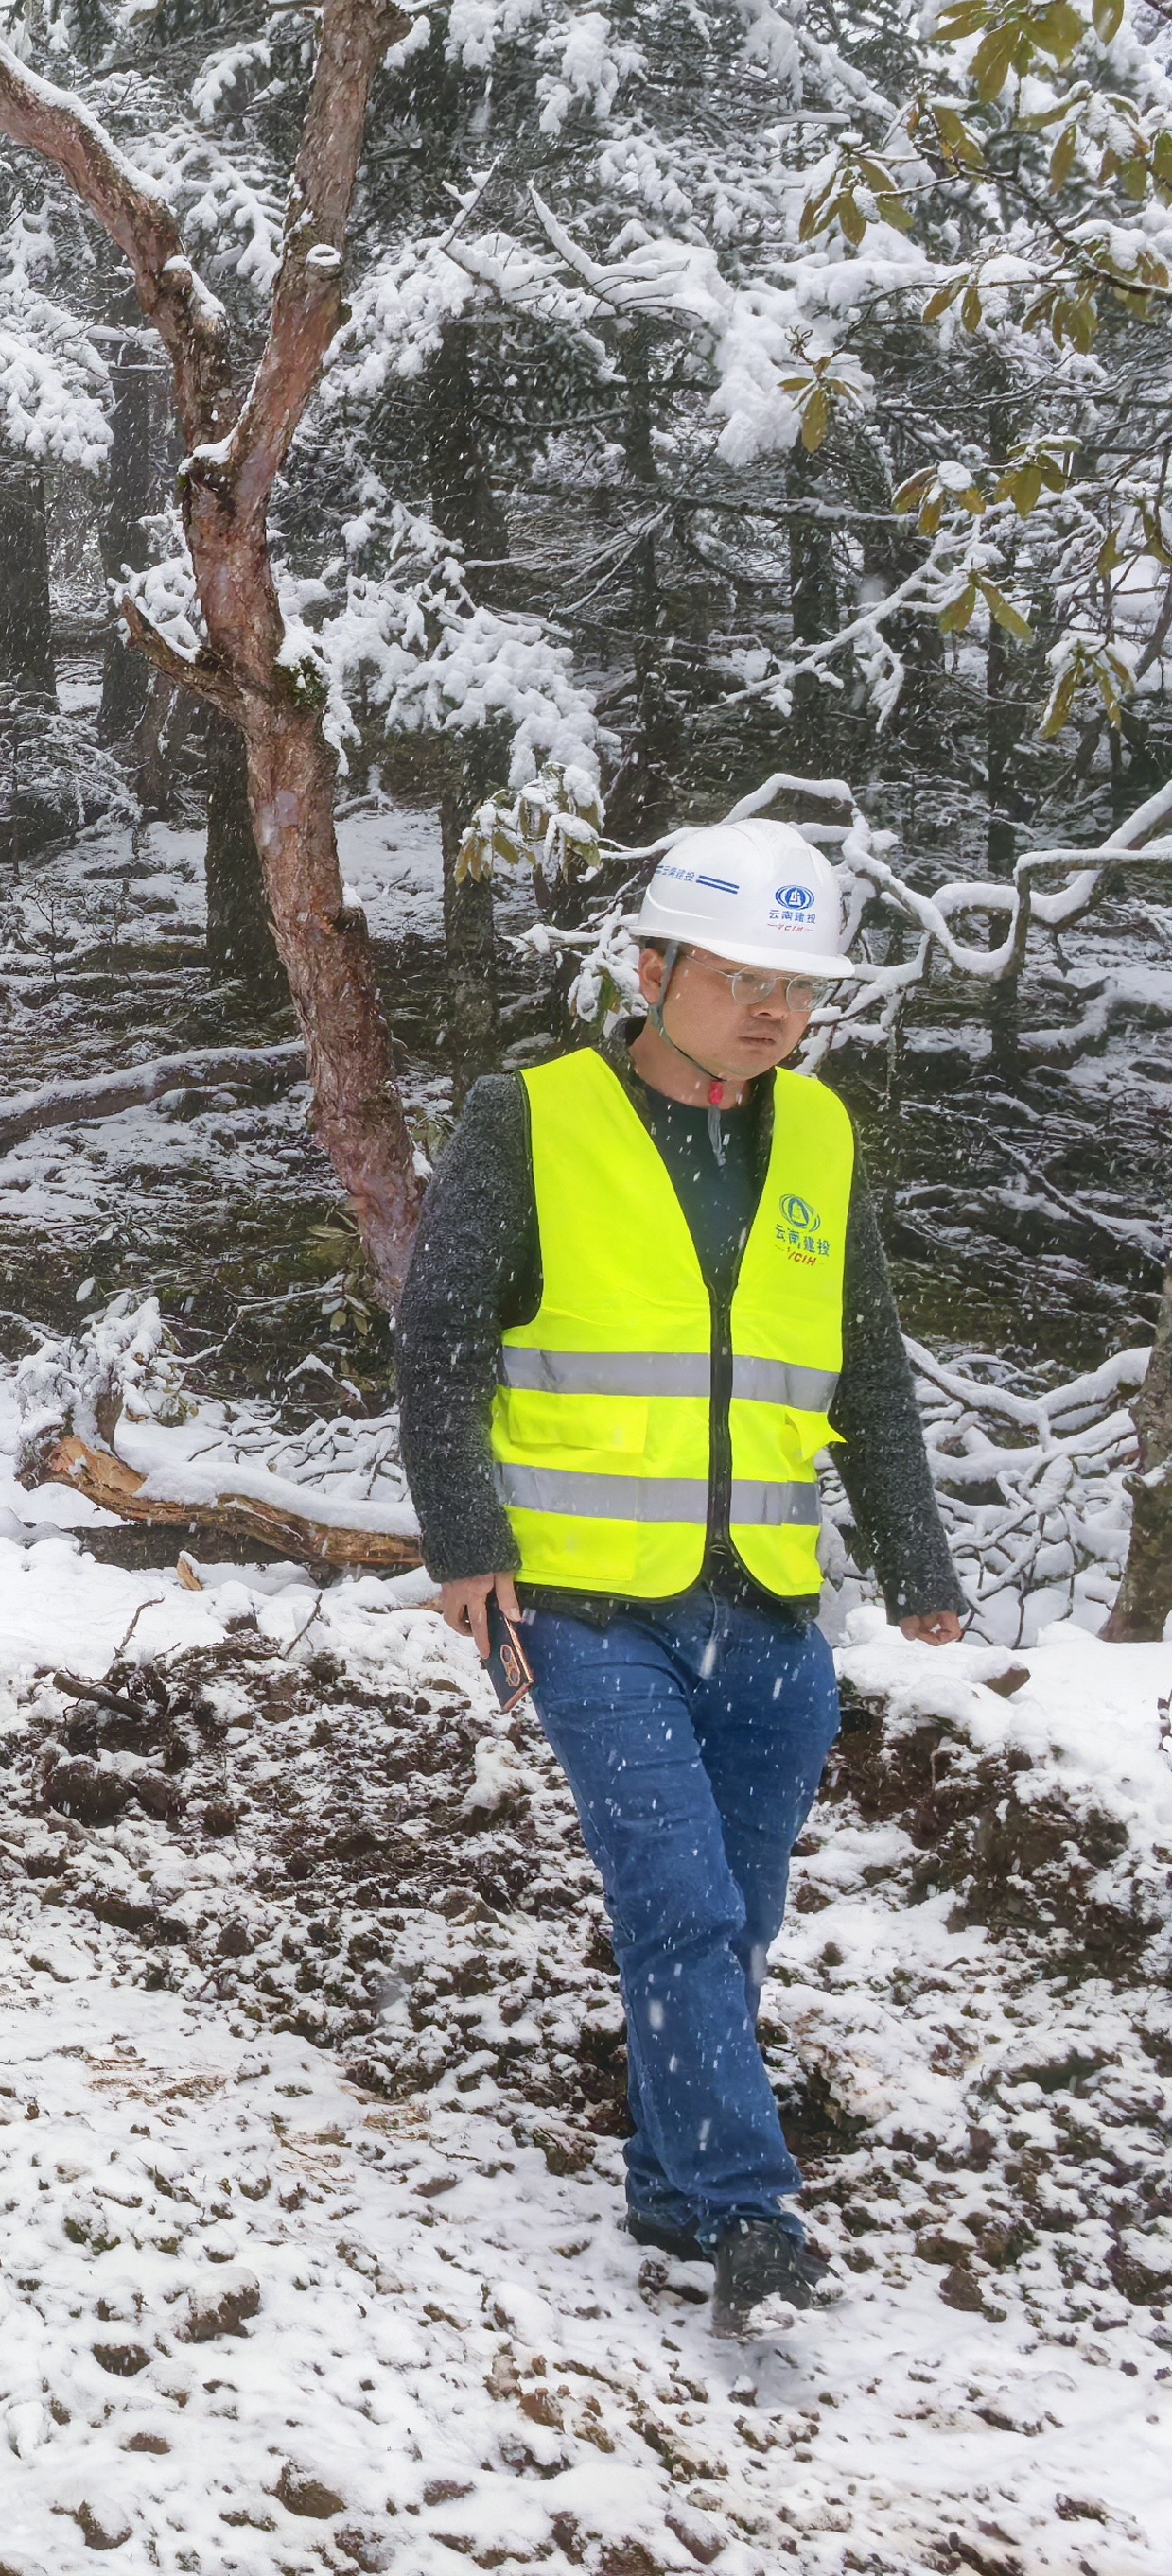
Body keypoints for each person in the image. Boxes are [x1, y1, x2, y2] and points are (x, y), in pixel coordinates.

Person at [394, 818, 971, 2340]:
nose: (775, 1013)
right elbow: (441, 1339)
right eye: (740, 980)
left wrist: (917, 1559)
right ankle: (740, 2204)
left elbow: (869, 1372)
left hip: (771, 1601)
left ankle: (665, 2171)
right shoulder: (529, 1115)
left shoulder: (825, 1137)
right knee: (678, 1900)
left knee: (740, 1907)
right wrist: (466, 1546)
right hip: (582, 1603)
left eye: (799, 987)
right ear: (651, 970)